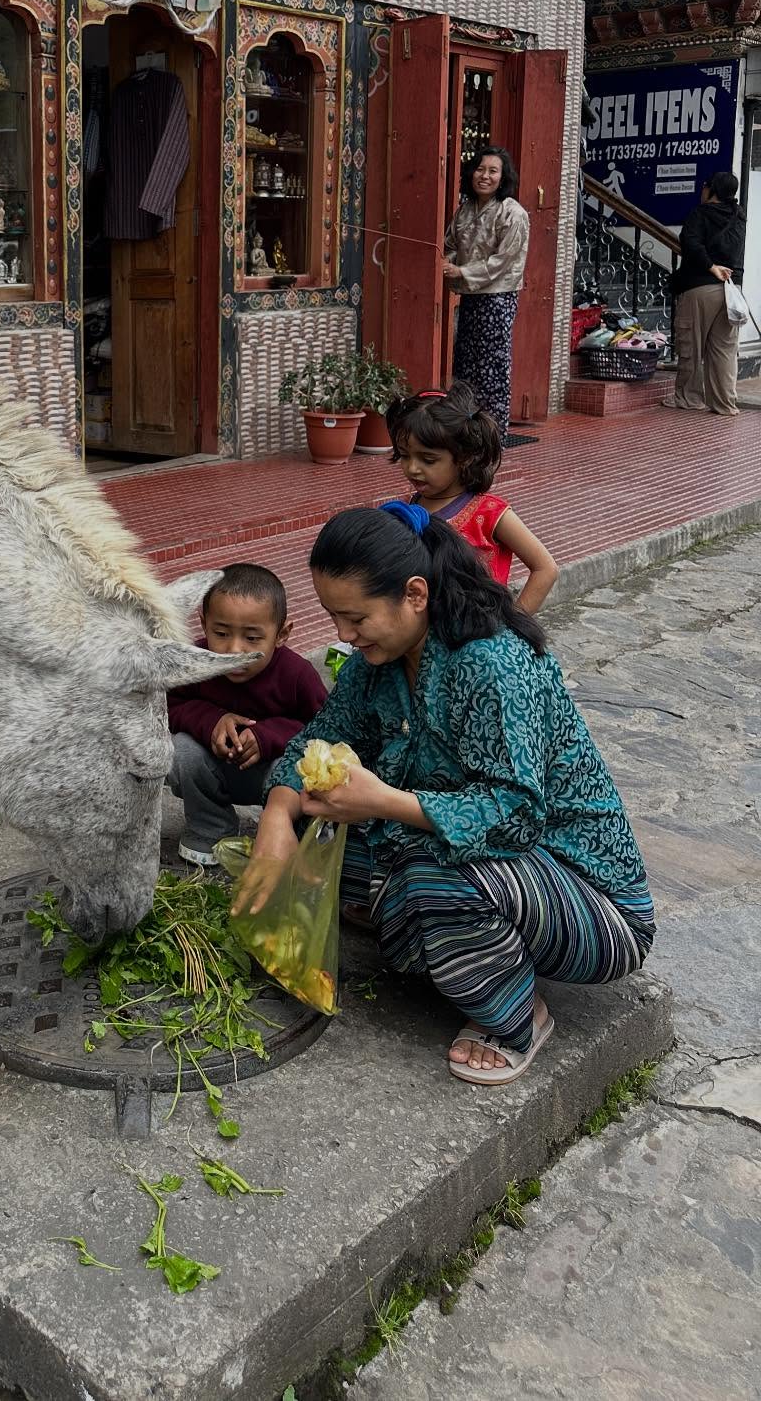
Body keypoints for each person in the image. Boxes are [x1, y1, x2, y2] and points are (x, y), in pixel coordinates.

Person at [234, 504, 653, 1086]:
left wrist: (383, 802)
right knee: (307, 837)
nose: (343, 635)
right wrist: (277, 818)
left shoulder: (490, 662)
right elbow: (313, 743)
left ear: (414, 593)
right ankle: (424, 922)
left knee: (431, 877)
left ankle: (515, 1017)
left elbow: (516, 817)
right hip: (482, 860)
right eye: (334, 617)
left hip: (589, 901)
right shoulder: (373, 664)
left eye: (355, 617)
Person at [167, 563, 328, 868]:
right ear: (204, 625)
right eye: (221, 633)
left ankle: (289, 829)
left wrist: (268, 736)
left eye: (253, 638)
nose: (235, 650)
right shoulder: (195, 663)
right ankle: (210, 826)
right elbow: (171, 708)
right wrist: (213, 720)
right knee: (182, 749)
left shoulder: (297, 675)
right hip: (215, 770)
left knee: (302, 764)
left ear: (282, 634)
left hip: (274, 778)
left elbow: (324, 728)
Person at [387, 384, 558, 611]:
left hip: (479, 636)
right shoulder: (412, 506)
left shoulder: (490, 513)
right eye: (405, 456)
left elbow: (545, 568)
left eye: (428, 460)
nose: (413, 468)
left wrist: (514, 628)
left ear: (465, 457)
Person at [442, 146, 530, 438]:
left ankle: (493, 433)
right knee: (466, 362)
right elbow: (452, 245)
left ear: (503, 177)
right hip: (471, 296)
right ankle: (467, 429)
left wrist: (463, 272)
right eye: (480, 169)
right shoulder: (465, 210)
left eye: (493, 171)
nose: (485, 176)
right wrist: (449, 263)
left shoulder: (513, 212)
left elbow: (502, 261)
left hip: (497, 297)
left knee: (491, 365)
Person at [665, 172, 746, 416]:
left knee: (691, 345)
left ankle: (689, 398)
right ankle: (724, 404)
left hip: (700, 288)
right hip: (731, 291)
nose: (702, 190)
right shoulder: (739, 216)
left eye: (705, 186)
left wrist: (711, 267)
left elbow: (690, 244)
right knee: (724, 350)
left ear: (713, 191)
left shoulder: (700, 214)